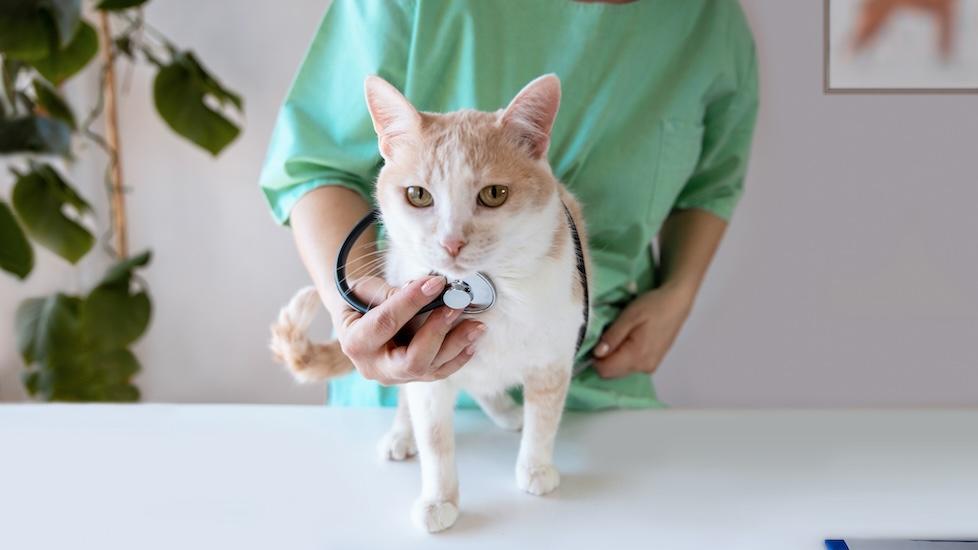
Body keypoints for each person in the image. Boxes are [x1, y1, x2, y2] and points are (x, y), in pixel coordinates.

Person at [259, 0, 759, 410]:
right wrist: (354, 314)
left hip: (593, 380)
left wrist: (679, 292)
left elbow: (710, 185)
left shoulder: (710, 24)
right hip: (413, 373)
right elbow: (316, 166)